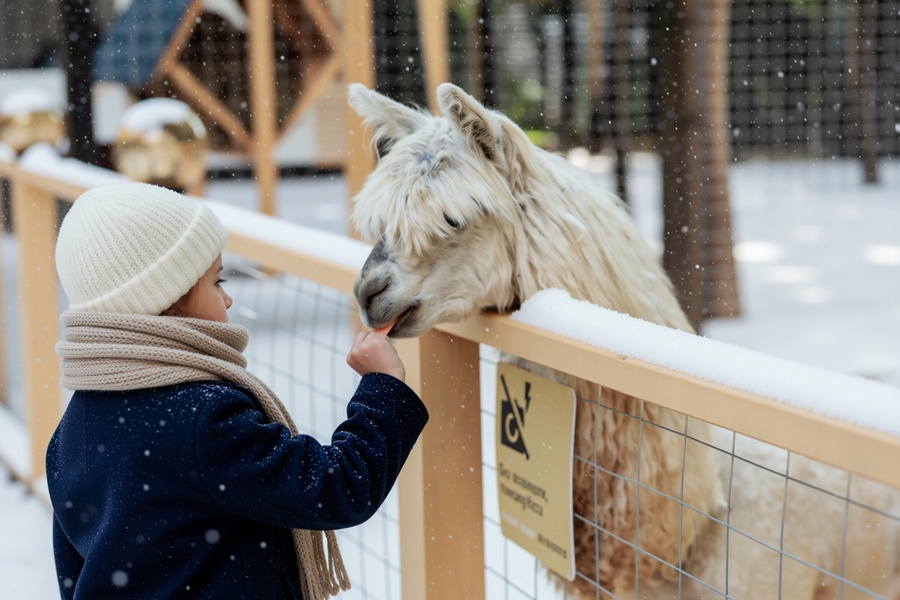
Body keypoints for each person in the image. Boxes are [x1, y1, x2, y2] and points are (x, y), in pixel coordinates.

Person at [46, 182, 428, 600]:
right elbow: (336, 488)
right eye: (217, 281)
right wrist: (382, 388)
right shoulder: (202, 420)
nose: (227, 299)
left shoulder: (70, 432)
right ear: (168, 301)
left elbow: (74, 574)